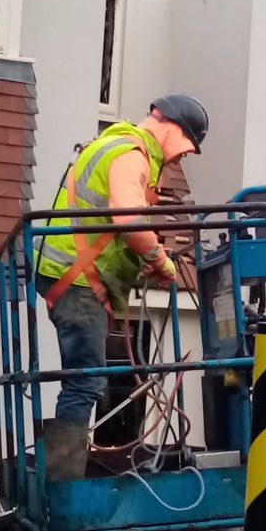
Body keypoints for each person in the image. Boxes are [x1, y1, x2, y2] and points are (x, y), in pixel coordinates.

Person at [35, 95, 209, 480]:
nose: (179, 161)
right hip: (76, 279)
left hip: (73, 276)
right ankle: (62, 487)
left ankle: (60, 479)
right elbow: (127, 217)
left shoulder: (116, 146)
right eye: (184, 151)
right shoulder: (132, 152)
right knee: (85, 381)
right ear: (176, 131)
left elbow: (112, 230)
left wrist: (142, 265)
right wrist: (158, 260)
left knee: (83, 379)